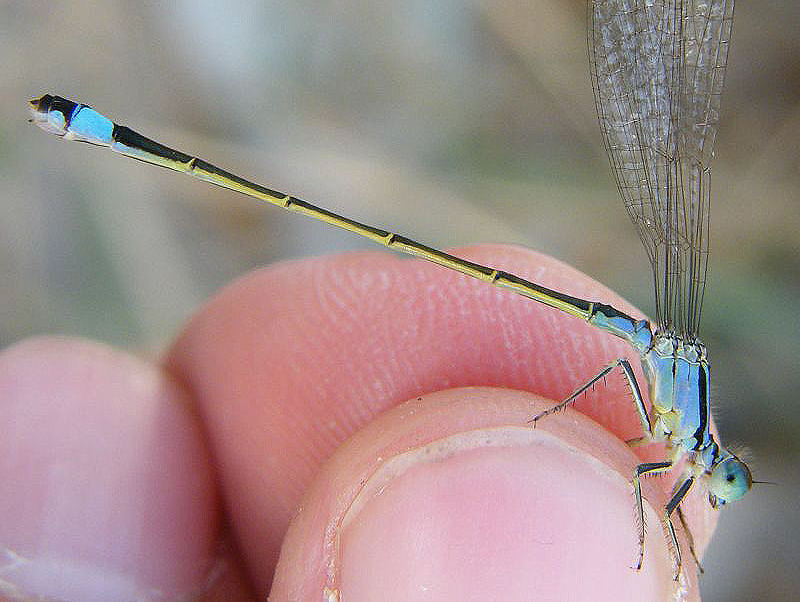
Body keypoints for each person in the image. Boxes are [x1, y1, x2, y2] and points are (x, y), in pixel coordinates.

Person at [1, 245, 708, 600]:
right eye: (720, 477)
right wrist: (554, 417)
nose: (713, 482)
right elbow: (641, 472)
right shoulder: (677, 436)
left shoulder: (675, 444)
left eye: (721, 480)